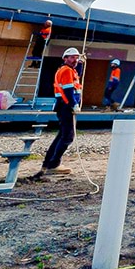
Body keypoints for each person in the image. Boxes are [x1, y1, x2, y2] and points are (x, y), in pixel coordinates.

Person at [37, 47, 82, 177]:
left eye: (76, 57)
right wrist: (73, 104)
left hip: (63, 106)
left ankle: (49, 163)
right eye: (72, 57)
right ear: (65, 58)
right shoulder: (67, 71)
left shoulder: (67, 70)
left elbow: (75, 80)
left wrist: (81, 64)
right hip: (66, 106)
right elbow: (68, 90)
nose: (75, 60)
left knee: (62, 135)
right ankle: (53, 164)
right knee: (68, 136)